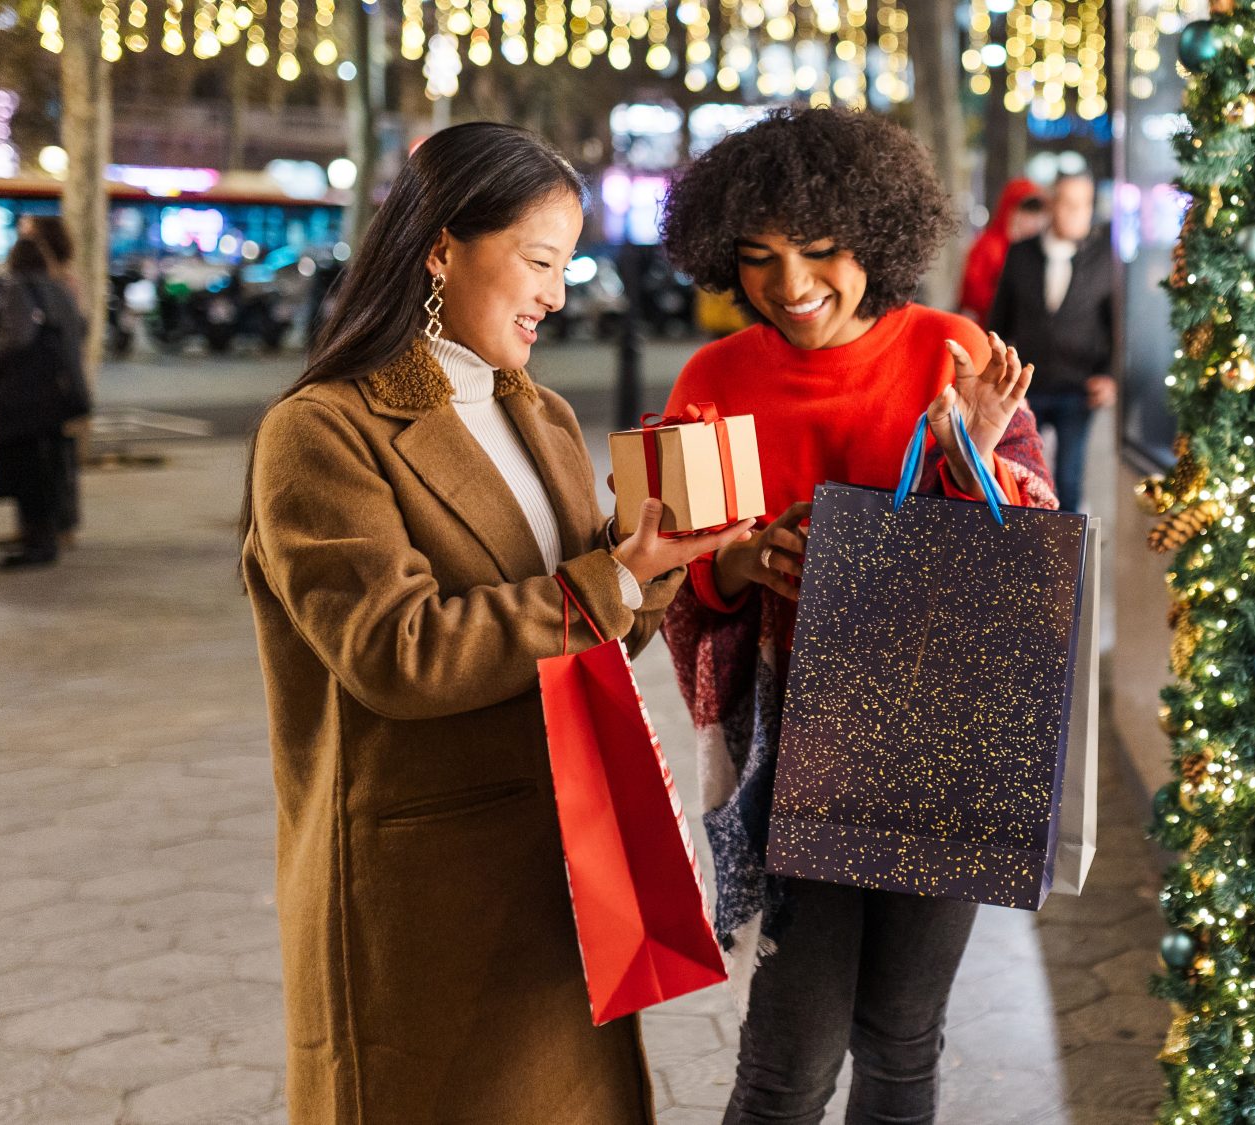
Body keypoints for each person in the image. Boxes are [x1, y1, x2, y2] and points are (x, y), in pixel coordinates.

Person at [239, 122, 749, 1124]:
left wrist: (671, 561)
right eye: (540, 260)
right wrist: (609, 580)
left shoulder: (538, 412)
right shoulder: (322, 430)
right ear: (439, 248)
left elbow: (597, 619)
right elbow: (398, 653)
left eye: (568, 263)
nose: (557, 294)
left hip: (569, 858)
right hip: (427, 882)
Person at [656, 107, 1058, 1125]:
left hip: (947, 728)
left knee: (902, 1038)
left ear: (875, 240)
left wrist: (973, 450)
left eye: (822, 252)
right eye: (757, 259)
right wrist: (739, 560)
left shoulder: (952, 350)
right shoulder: (711, 381)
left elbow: (1030, 543)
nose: (791, 287)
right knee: (789, 1057)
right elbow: (674, 576)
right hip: (792, 751)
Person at [987, 172, 1117, 512]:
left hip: (1078, 385)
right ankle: (1023, 551)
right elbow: (999, 320)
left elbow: (1116, 324)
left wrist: (1110, 375)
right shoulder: (1021, 253)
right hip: (1027, 384)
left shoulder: (1104, 256)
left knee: (1069, 479)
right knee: (1020, 474)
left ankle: (1065, 560)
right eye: (1068, 203)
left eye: (1084, 205)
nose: (1076, 212)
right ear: (1053, 205)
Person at [0, 235, 89, 570]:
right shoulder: (59, 289)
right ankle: (45, 534)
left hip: (25, 400)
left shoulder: (18, 287)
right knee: (48, 466)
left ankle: (37, 541)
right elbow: (80, 327)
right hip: (58, 394)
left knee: (26, 468)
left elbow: (16, 337)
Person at [17, 214, 86, 550]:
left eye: (30, 234)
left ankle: (62, 526)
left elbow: (71, 337)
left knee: (58, 455)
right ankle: (37, 525)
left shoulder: (61, 282)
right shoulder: (38, 278)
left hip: (56, 382)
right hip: (42, 382)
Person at [955, 177, 1046, 325]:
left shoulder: (1037, 249)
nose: (1033, 219)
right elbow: (973, 295)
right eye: (1027, 210)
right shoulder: (988, 246)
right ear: (1010, 209)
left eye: (1036, 212)